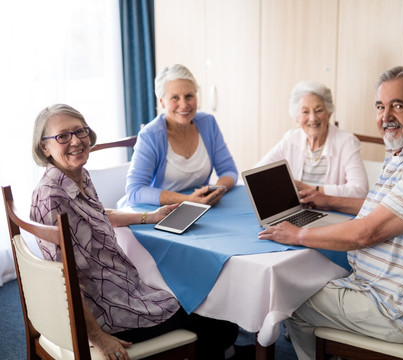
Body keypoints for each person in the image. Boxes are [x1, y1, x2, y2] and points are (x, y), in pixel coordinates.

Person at [258, 66, 403, 360]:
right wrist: (330, 200)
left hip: (398, 307)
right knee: (311, 277)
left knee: (288, 297)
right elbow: (386, 207)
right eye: (380, 106)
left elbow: (367, 233)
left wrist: (298, 234)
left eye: (398, 106)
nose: (386, 117)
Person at [30, 104, 239, 359]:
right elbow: (63, 279)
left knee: (200, 299)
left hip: (122, 288)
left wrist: (149, 217)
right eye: (63, 136)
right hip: (107, 312)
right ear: (44, 147)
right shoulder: (51, 196)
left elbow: (96, 213)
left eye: (80, 131)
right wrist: (98, 338)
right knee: (217, 317)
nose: (76, 141)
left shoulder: (76, 176)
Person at [121, 64, 238, 207]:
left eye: (189, 96)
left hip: (199, 207)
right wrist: (188, 200)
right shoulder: (150, 135)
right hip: (157, 212)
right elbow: (135, 191)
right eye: (175, 98)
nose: (183, 105)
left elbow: (229, 171)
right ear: (162, 102)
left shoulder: (208, 123)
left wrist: (215, 191)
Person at [256, 80, 369, 202]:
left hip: (333, 212)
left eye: (319, 110)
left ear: (329, 113)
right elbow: (257, 174)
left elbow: (361, 190)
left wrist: (313, 189)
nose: (313, 118)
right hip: (298, 209)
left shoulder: (347, 142)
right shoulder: (291, 139)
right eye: (305, 112)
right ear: (297, 118)